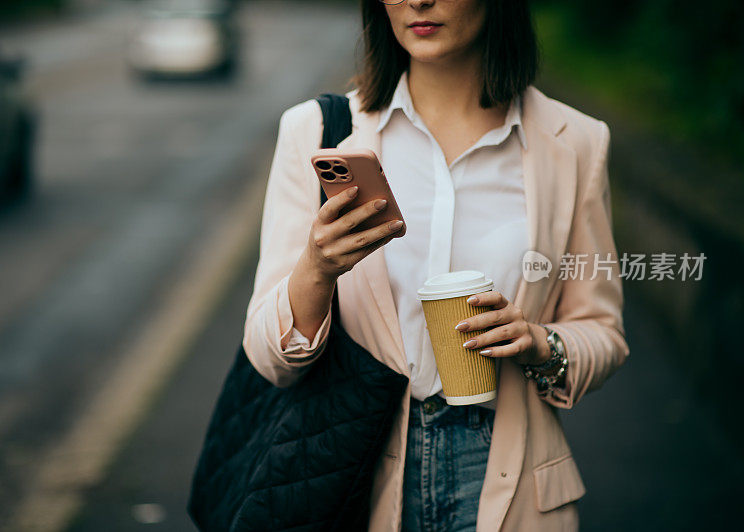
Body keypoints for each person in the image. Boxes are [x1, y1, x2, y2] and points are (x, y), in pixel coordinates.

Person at [242, 0, 630, 529]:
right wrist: (317, 268)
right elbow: (269, 358)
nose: (418, 1)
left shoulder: (576, 142)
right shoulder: (318, 131)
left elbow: (602, 330)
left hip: (508, 471)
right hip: (360, 462)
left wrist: (540, 343)